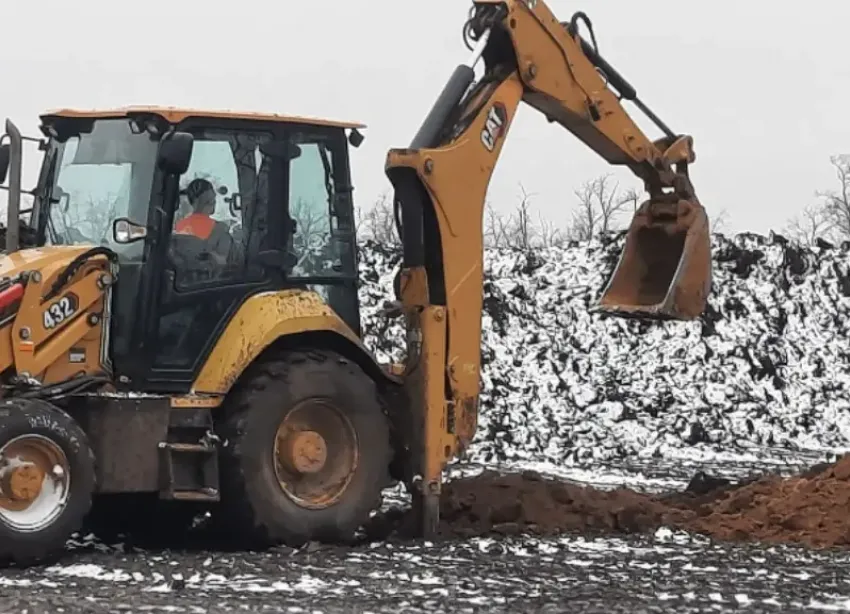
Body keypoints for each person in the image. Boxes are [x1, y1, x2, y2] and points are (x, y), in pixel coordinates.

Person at [174, 178, 235, 264]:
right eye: (212, 199)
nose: (214, 201)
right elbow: (223, 262)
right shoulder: (220, 229)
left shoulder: (178, 227)